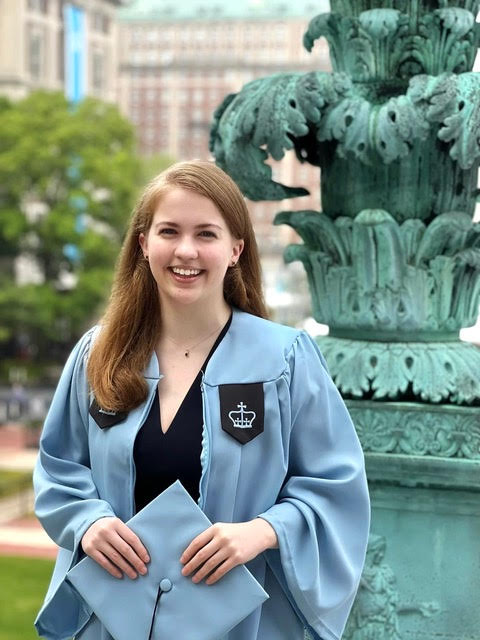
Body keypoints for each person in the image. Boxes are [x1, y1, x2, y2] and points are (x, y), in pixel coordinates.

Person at [33, 160, 370, 640]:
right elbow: (58, 467)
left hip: (237, 624)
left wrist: (263, 530)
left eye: (206, 234)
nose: (186, 251)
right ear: (144, 244)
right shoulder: (100, 353)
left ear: (235, 249)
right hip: (113, 619)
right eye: (169, 231)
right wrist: (87, 521)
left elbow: (335, 485)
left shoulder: (284, 359)